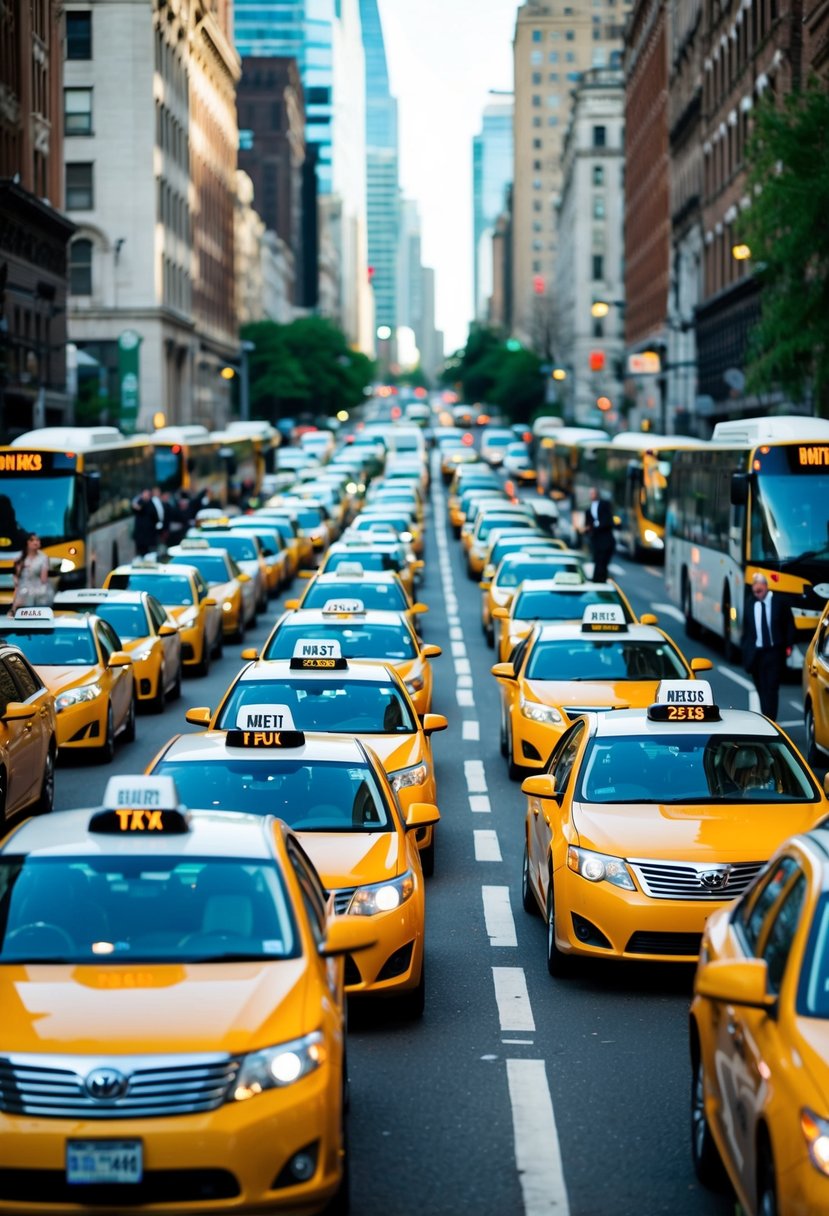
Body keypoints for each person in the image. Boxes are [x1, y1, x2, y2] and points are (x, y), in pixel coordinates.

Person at [741, 571, 796, 720]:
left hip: (774, 652)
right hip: (756, 653)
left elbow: (789, 625)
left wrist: (789, 645)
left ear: (766, 586)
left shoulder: (779, 602)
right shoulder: (750, 603)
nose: (757, 594)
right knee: (760, 688)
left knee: (771, 688)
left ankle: (771, 720)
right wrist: (745, 650)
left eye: (760, 591)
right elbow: (746, 629)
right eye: (755, 592)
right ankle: (766, 718)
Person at [10, 534, 52, 611]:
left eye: (37, 540)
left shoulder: (43, 558)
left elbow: (44, 580)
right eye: (32, 540)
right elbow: (16, 578)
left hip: (38, 591)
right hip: (22, 591)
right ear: (27, 543)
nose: (35, 542)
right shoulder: (20, 557)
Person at [582, 488, 615, 582]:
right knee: (597, 561)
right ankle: (597, 580)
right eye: (590, 493)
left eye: (593, 493)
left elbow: (608, 521)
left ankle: (602, 580)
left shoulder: (605, 505)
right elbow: (587, 525)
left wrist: (595, 526)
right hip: (596, 540)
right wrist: (586, 529)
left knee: (603, 562)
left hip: (606, 540)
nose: (591, 495)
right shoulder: (588, 510)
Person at [132, 489, 158, 557]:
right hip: (140, 536)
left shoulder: (151, 504)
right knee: (140, 554)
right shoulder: (139, 502)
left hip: (149, 536)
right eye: (144, 494)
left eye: (147, 494)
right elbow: (134, 508)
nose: (145, 496)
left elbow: (155, 517)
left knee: (149, 555)